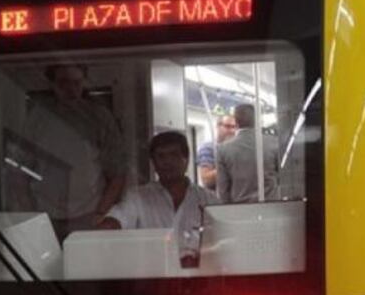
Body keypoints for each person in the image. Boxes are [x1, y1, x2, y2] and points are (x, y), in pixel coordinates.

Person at [19, 64, 126, 241]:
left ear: (84, 82)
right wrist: (31, 213)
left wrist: (100, 213)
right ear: (52, 84)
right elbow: (20, 172)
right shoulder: (37, 118)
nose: (71, 88)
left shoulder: (100, 117)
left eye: (77, 82)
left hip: (88, 214)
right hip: (45, 214)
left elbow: (118, 174)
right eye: (63, 82)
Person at [98, 131, 217, 267]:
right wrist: (101, 229)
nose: (167, 162)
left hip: (200, 278)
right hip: (153, 279)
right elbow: (115, 221)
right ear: (153, 163)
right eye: (161, 156)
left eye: (174, 155)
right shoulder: (137, 198)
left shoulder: (209, 200)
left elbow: (224, 240)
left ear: (186, 159)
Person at [217, 104, 280, 203]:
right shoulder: (274, 143)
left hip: (240, 211)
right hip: (271, 206)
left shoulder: (223, 149)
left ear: (236, 121)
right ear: (256, 120)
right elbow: (284, 179)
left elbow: (223, 190)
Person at [196, 115, 238, 191]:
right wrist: (232, 166)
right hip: (216, 200)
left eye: (234, 127)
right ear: (218, 127)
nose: (232, 131)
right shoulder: (208, 148)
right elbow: (206, 180)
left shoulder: (236, 148)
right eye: (228, 126)